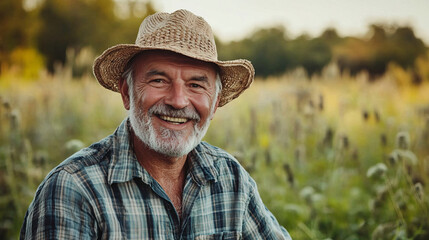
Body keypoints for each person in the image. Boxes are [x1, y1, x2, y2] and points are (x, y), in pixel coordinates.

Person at [20, 9, 291, 239]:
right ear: (127, 92)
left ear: (216, 103)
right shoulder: (74, 188)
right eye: (159, 80)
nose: (177, 101)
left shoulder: (231, 180)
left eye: (196, 85)